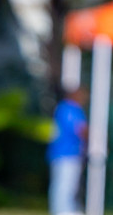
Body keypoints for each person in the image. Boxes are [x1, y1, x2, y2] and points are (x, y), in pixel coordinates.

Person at [48, 87, 87, 215]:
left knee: (69, 184)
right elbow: (79, 129)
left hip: (70, 153)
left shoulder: (71, 109)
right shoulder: (68, 109)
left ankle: (67, 208)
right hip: (65, 153)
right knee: (64, 184)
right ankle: (62, 210)